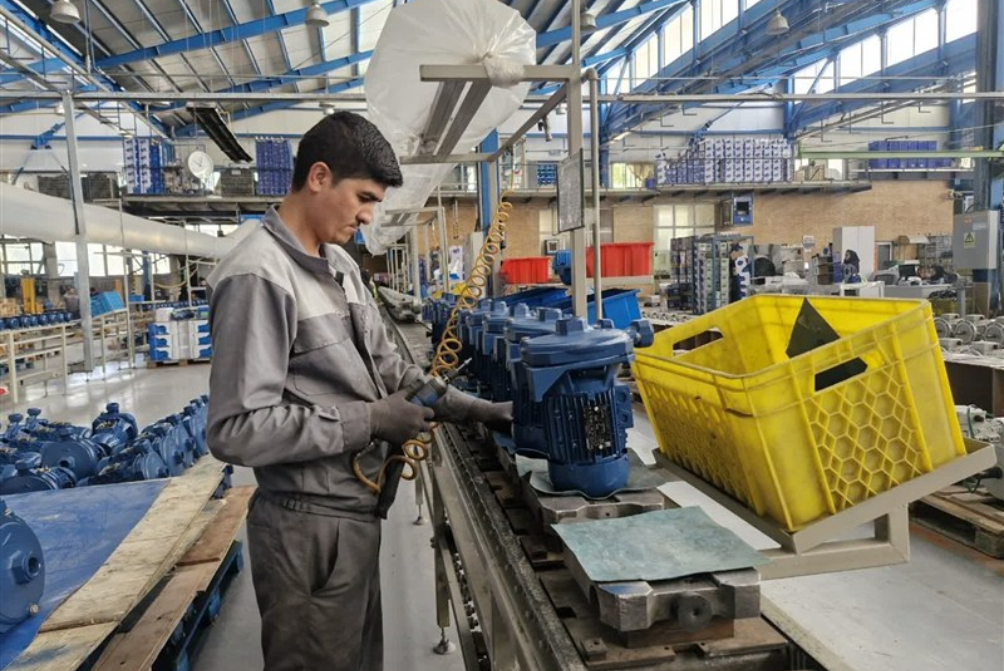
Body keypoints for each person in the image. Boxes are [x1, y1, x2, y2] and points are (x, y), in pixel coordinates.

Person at [205, 111, 511, 671]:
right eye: (364, 198)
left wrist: (480, 410)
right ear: (319, 177)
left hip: (355, 516)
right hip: (305, 530)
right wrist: (369, 422)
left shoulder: (340, 265)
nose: (369, 215)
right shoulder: (258, 276)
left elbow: (390, 367)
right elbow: (235, 430)